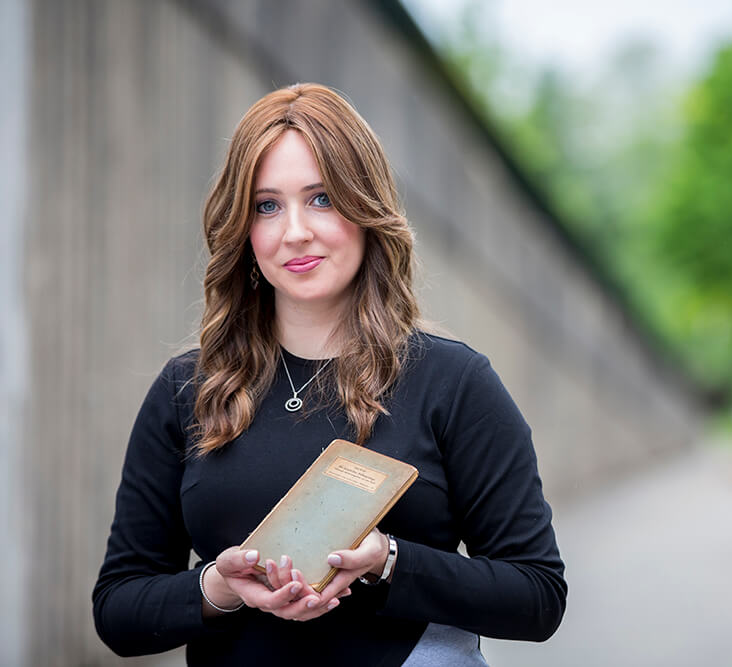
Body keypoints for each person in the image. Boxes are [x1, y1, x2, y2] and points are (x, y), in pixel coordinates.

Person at [92, 83, 567, 666]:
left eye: (321, 198)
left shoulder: (452, 381)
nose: (295, 231)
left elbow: (538, 596)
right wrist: (216, 588)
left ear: (367, 210)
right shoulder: (187, 390)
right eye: (267, 205)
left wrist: (389, 561)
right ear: (243, 229)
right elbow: (118, 610)